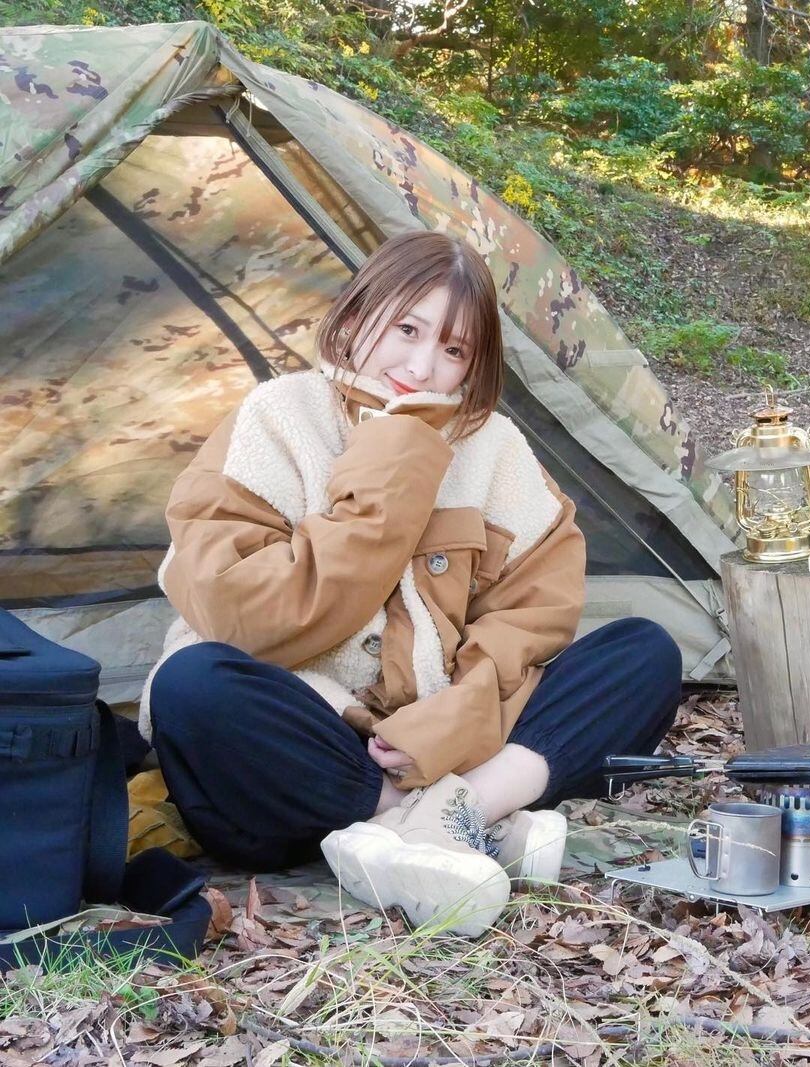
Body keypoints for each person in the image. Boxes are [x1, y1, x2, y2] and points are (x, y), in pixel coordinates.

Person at [143, 231, 683, 936]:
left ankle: (451, 815)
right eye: (407, 329)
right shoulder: (276, 418)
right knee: (193, 685)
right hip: (311, 749)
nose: (423, 366)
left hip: (448, 741)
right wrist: (397, 457)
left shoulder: (495, 448)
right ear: (356, 315)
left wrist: (451, 724)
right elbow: (245, 615)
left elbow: (529, 617)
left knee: (643, 653)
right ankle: (456, 820)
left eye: (454, 350)